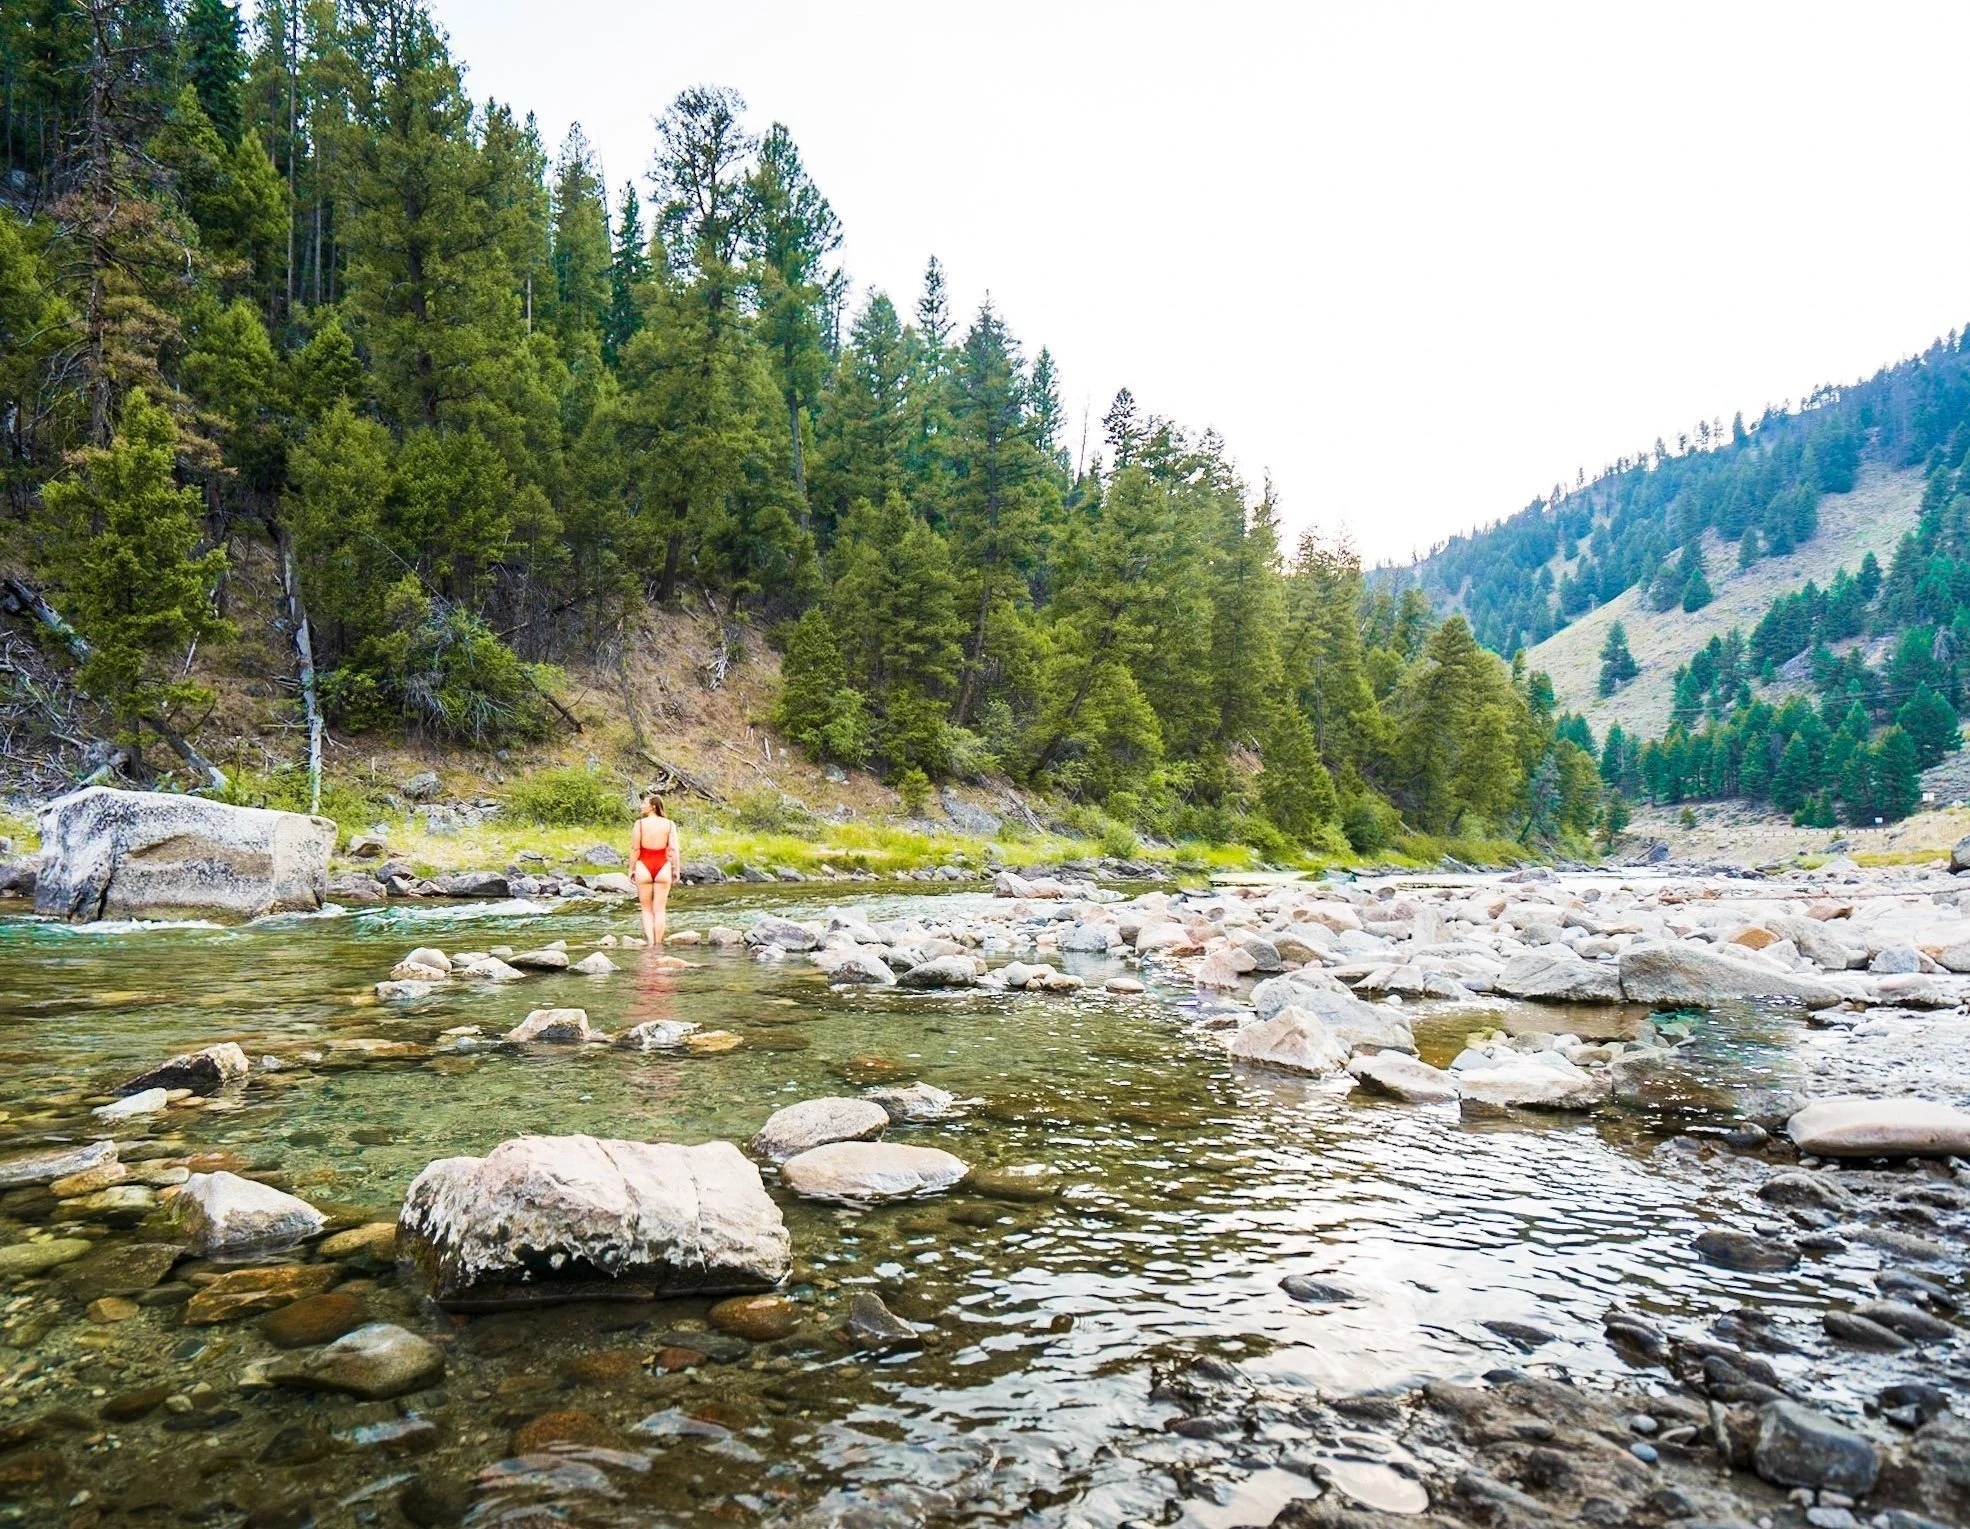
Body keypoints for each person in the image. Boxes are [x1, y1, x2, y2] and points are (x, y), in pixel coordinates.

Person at [629, 793, 679, 946]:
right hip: (662, 866)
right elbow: (674, 849)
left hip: (643, 864)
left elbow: (635, 849)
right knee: (659, 909)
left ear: (653, 807)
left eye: (644, 803)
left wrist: (631, 869)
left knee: (646, 909)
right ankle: (658, 944)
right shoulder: (669, 824)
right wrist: (676, 869)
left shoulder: (640, 824)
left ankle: (650, 943)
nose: (641, 805)